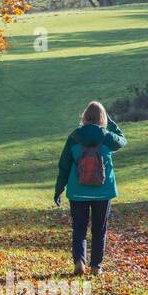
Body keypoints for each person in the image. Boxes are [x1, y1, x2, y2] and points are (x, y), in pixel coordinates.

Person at [53, 101, 126, 276]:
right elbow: (123, 140)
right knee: (99, 230)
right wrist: (111, 121)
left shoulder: (74, 137)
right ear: (102, 118)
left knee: (79, 228)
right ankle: (96, 266)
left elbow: (64, 165)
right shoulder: (107, 136)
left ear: (85, 116)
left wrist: (59, 189)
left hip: (78, 192)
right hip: (103, 191)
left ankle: (79, 261)